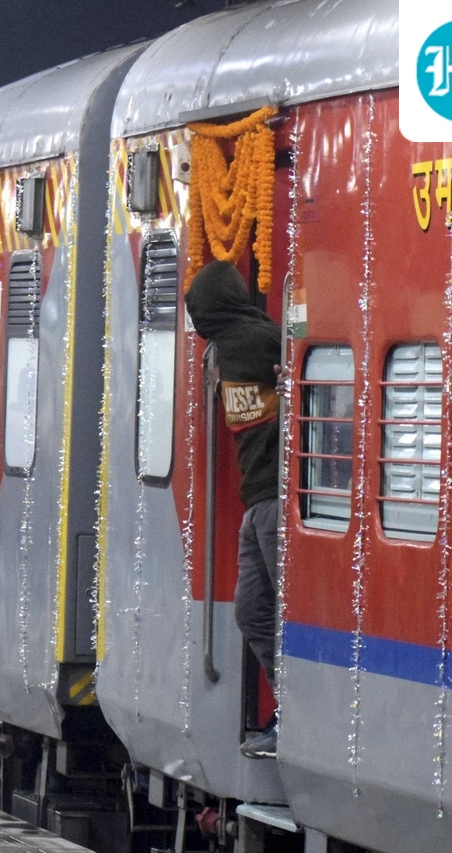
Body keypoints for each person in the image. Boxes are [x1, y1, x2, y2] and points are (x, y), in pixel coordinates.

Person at [185, 260, 282, 760]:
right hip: (257, 500)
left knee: (273, 608)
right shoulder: (235, 343)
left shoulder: (252, 342)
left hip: (275, 499)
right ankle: (290, 710)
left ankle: (295, 715)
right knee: (252, 609)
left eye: (197, 306)